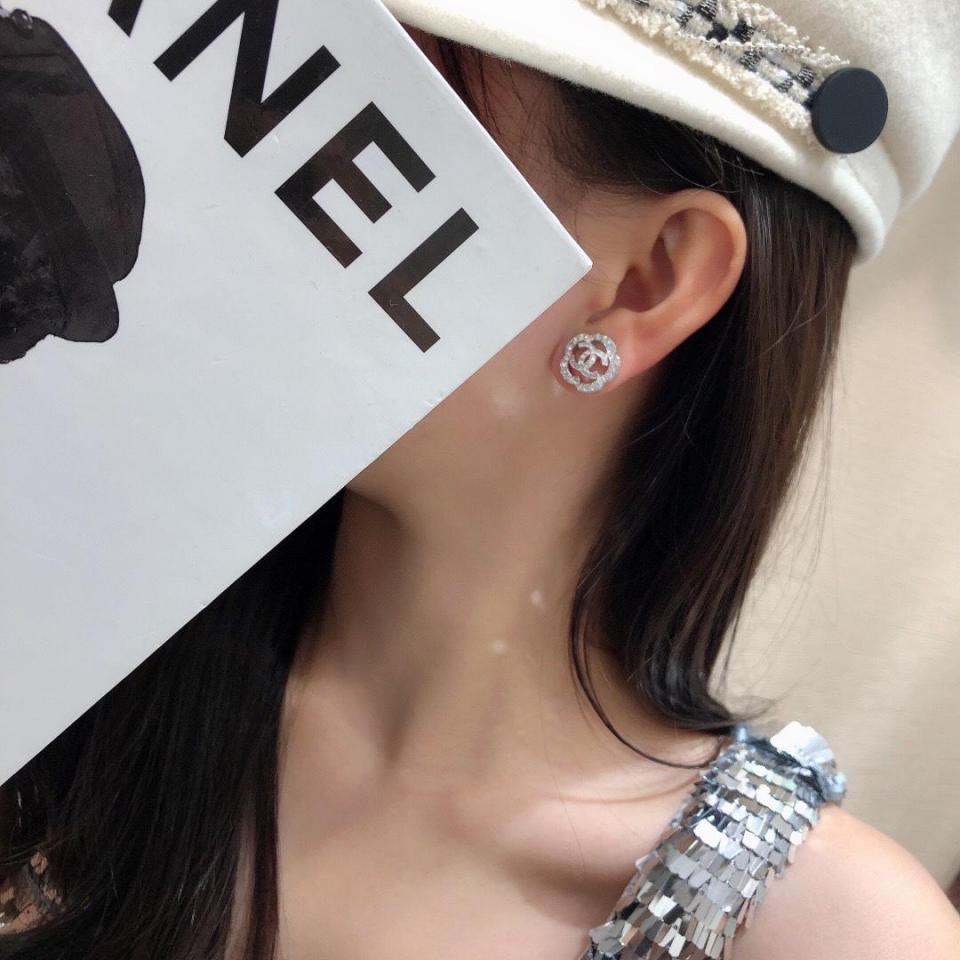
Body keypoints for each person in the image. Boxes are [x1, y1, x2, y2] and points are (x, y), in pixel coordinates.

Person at [2, 4, 960, 959]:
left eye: (343, 105)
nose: (231, 158)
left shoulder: (826, 934)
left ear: (649, 283)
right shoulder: (85, 637)